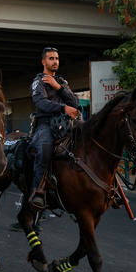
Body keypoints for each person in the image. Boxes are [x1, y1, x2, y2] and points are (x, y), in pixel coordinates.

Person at [28, 47, 80, 210]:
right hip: (46, 124)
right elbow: (41, 103)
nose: (55, 61)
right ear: (43, 61)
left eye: (57, 58)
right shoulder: (39, 81)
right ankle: (38, 191)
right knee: (44, 148)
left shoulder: (62, 82)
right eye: (51, 58)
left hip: (66, 123)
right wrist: (63, 107)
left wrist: (58, 87)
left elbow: (75, 103)